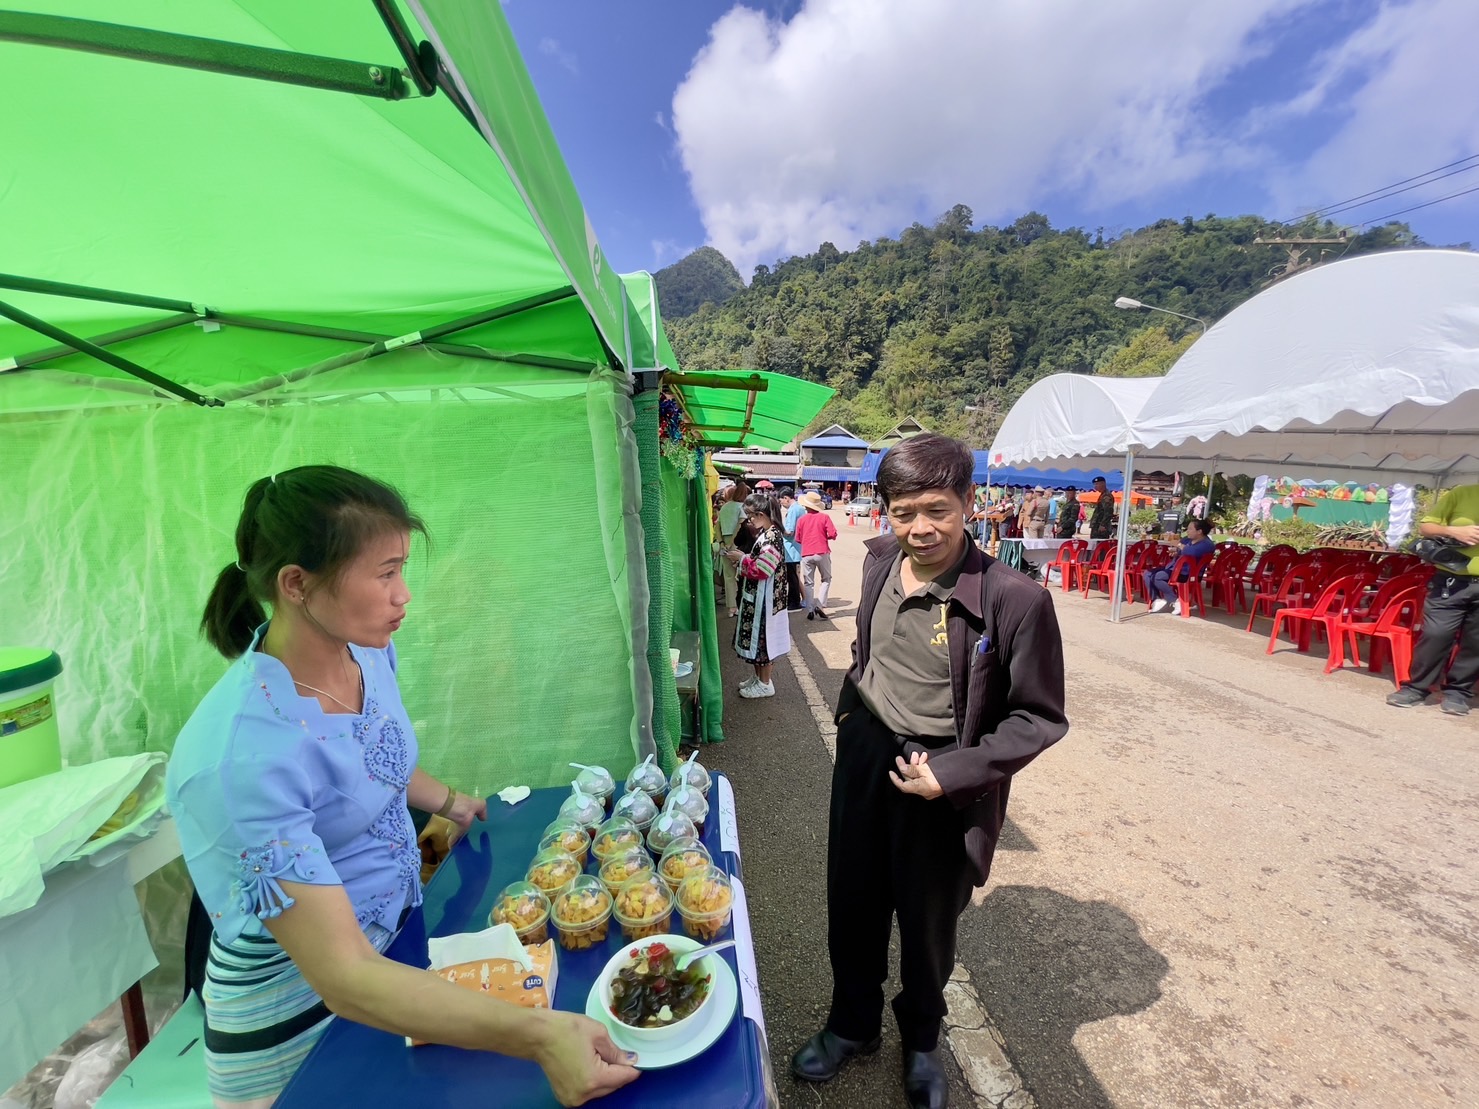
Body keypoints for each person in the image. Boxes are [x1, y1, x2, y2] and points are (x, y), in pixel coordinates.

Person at [166, 466, 638, 1108]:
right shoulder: (242, 758)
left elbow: (370, 757)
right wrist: (538, 1035)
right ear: (297, 584)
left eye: (401, 569)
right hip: (303, 1023)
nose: (403, 595)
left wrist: (451, 801)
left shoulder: (361, 651)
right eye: (385, 573)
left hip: (398, 949)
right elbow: (343, 978)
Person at [790, 435, 1068, 1109]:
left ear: (969, 503)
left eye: (937, 509)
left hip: (944, 778)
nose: (921, 527)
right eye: (904, 509)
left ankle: (920, 1041)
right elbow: (867, 646)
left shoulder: (1014, 598)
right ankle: (851, 1025)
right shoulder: (883, 558)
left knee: (926, 924)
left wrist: (958, 770)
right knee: (851, 905)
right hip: (865, 758)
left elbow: (1039, 716)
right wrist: (855, 716)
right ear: (884, 509)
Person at [1387, 484, 1479, 715]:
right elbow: (1427, 527)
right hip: (1451, 581)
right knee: (1435, 635)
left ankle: (1459, 693)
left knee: (1476, 643)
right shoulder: (1462, 493)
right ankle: (1417, 688)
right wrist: (1455, 532)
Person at [726, 492, 791, 698]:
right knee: (759, 645)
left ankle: (764, 683)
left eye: (752, 516)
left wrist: (742, 559)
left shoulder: (772, 537)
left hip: (765, 602)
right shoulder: (767, 533)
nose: (750, 520)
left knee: (763, 644)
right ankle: (759, 679)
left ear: (761, 514)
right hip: (760, 599)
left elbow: (763, 569)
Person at [1143, 517, 1215, 615]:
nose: (1187, 531)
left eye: (1190, 529)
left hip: (1189, 573)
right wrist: (1176, 552)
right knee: (1147, 574)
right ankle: (1157, 599)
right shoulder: (1187, 539)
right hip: (1176, 569)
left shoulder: (1207, 544)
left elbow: (1192, 552)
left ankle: (1175, 601)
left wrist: (1179, 545)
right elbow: (1182, 550)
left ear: (1199, 531)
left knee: (1158, 577)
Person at [795, 491, 839, 620]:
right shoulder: (824, 517)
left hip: (806, 553)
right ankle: (819, 605)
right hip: (822, 551)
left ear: (806, 506)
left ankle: (809, 609)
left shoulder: (801, 520)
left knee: (809, 583)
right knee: (826, 579)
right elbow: (832, 534)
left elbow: (798, 538)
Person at [716, 484, 746, 618]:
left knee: (728, 577)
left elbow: (717, 527)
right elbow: (740, 525)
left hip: (723, 542)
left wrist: (722, 543)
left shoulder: (724, 508)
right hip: (737, 542)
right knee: (741, 574)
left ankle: (731, 608)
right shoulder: (741, 507)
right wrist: (731, 542)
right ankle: (740, 605)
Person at [779, 488, 807, 611]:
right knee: (794, 576)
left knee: (792, 577)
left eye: (781, 501)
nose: (782, 504)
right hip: (797, 546)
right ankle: (795, 601)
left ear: (786, 498)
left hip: (790, 548)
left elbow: (789, 532)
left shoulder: (792, 510)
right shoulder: (801, 509)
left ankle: (794, 602)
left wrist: (778, 530)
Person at [1088, 476, 1115, 540]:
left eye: (1097, 484)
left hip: (1100, 526)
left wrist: (1103, 524)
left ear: (1103, 484)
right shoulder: (1103, 495)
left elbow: (1108, 511)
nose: (1095, 486)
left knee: (1100, 545)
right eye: (1094, 484)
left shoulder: (1106, 496)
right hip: (1097, 525)